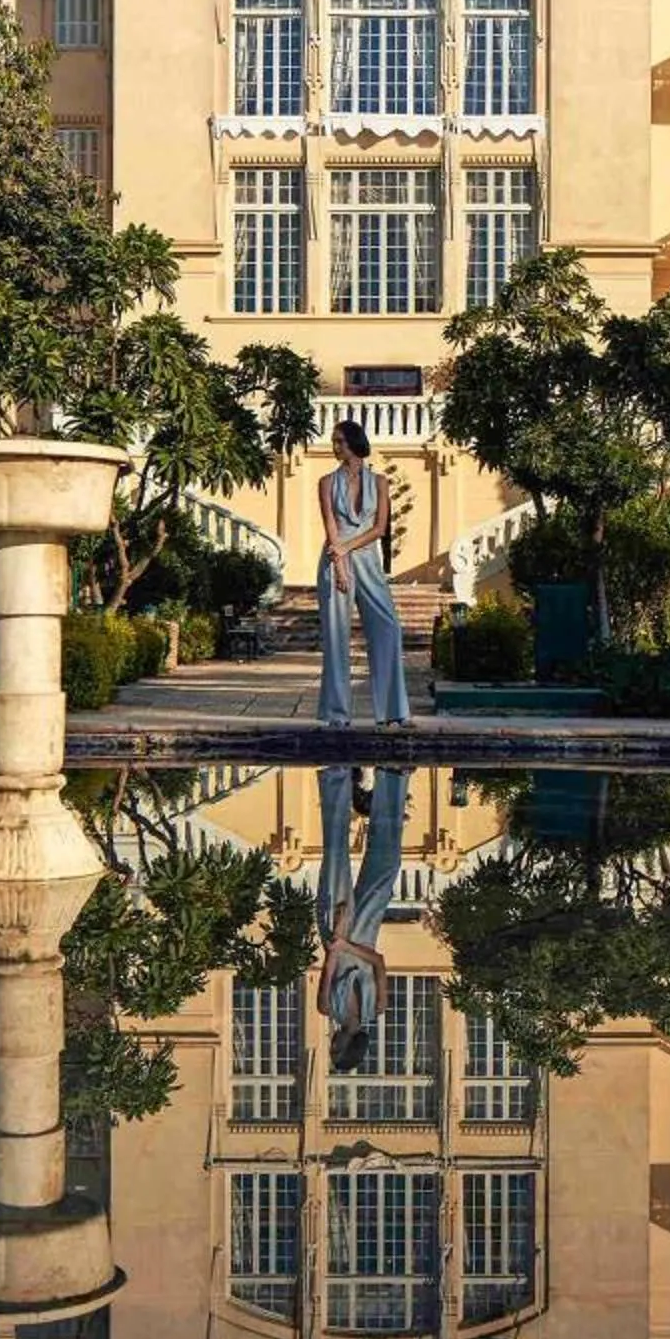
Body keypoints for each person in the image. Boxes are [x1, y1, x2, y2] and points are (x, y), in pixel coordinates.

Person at [317, 763, 413, 1075]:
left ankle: (336, 776)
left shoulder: (327, 1008)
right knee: (388, 863)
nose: (332, 1044)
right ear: (350, 1047)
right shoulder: (377, 1007)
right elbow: (379, 962)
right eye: (336, 1049)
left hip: (334, 931)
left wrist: (339, 940)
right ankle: (393, 778)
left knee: (335, 853)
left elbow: (329, 964)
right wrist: (350, 944)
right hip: (364, 935)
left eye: (331, 1049)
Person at [317, 418, 410, 728]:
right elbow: (332, 529)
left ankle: (392, 711)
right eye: (334, 441)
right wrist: (341, 565)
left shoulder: (380, 482)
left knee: (388, 627)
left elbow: (380, 528)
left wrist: (348, 548)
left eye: (340, 441)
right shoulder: (326, 482)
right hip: (334, 562)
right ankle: (336, 715)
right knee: (336, 637)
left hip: (368, 561)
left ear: (354, 443)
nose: (335, 447)